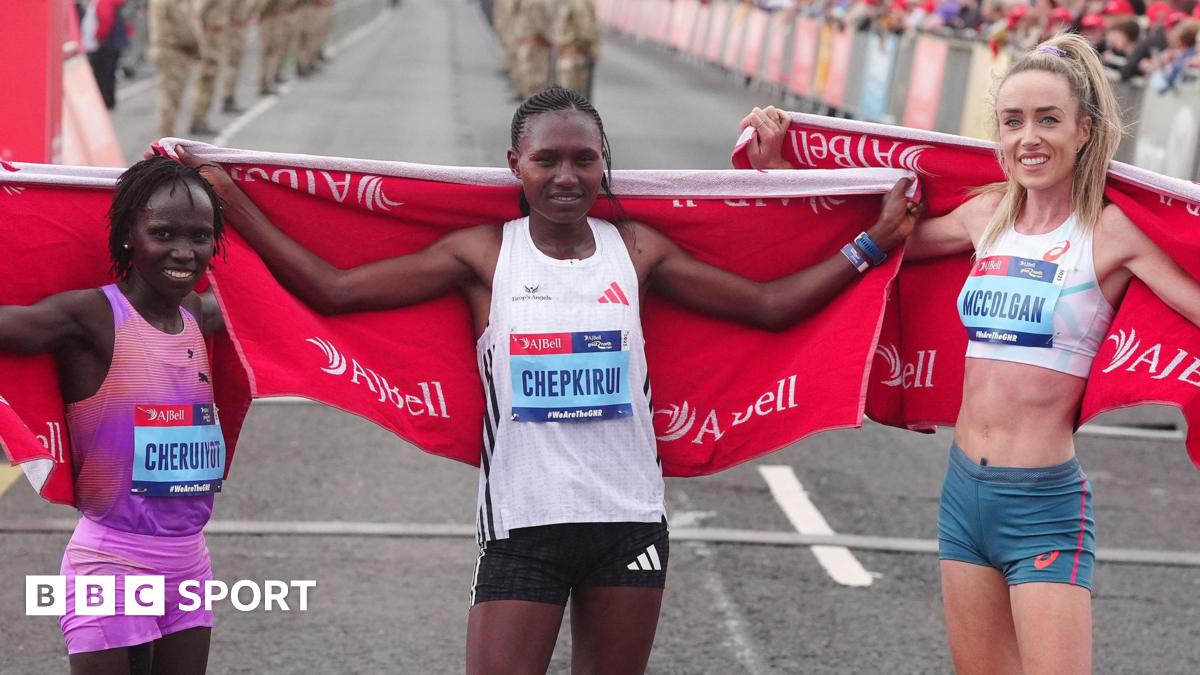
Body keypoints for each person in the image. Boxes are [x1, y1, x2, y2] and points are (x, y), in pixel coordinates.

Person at [177, 86, 917, 674]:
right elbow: (334, 290)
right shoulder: (483, 255)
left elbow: (769, 306)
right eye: (547, 160)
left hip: (628, 521)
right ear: (515, 163)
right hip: (522, 525)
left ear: (604, 161)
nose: (567, 176)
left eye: (584, 159)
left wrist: (873, 242)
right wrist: (231, 202)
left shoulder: (637, 249)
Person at [746, 32, 1200, 674]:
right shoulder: (986, 215)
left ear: (1085, 131)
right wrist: (781, 171)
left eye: (1048, 120)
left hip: (1043, 504)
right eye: (1013, 121)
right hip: (963, 492)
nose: (1029, 138)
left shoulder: (1110, 233)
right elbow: (876, 243)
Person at [0, 157, 227, 674]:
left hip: (189, 564)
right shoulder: (91, 318)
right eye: (163, 234)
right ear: (128, 235)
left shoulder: (201, 314)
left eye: (200, 237)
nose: (184, 252)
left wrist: (238, 191)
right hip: (111, 563)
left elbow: (293, 291)